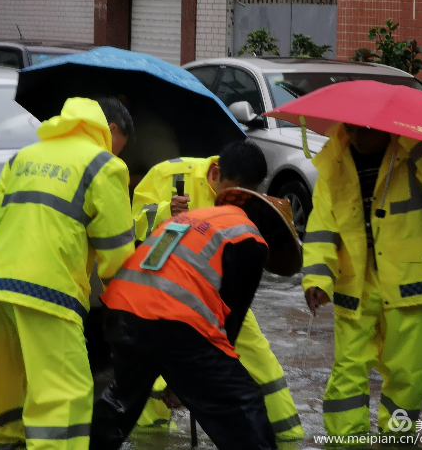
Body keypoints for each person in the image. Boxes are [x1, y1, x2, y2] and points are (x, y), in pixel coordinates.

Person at [90, 187, 302, 450]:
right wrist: (191, 381)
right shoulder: (250, 237)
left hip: (121, 310)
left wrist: (181, 380)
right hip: (173, 320)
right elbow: (229, 323)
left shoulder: (195, 218)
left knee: (121, 400)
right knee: (242, 402)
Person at [0, 97, 136, 450]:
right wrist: (127, 309)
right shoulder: (104, 166)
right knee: (65, 397)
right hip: (51, 292)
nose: (119, 154)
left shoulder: (21, 158)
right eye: (121, 147)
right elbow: (117, 256)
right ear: (109, 130)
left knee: (12, 392)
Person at [132, 141, 305, 440]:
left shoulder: (246, 197)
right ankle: (151, 434)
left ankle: (287, 435)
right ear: (216, 173)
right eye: (232, 190)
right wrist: (164, 212)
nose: (235, 200)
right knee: (159, 364)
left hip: (220, 292)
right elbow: (132, 223)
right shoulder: (169, 175)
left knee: (259, 358)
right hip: (171, 292)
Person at [303, 123, 422, 436]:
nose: (358, 138)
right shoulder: (333, 160)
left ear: (385, 128)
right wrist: (317, 277)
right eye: (351, 130)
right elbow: (321, 224)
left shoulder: (412, 151)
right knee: (348, 370)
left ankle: (397, 438)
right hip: (354, 283)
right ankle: (345, 441)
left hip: (411, 281)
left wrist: (415, 140)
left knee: (408, 373)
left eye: (365, 130)